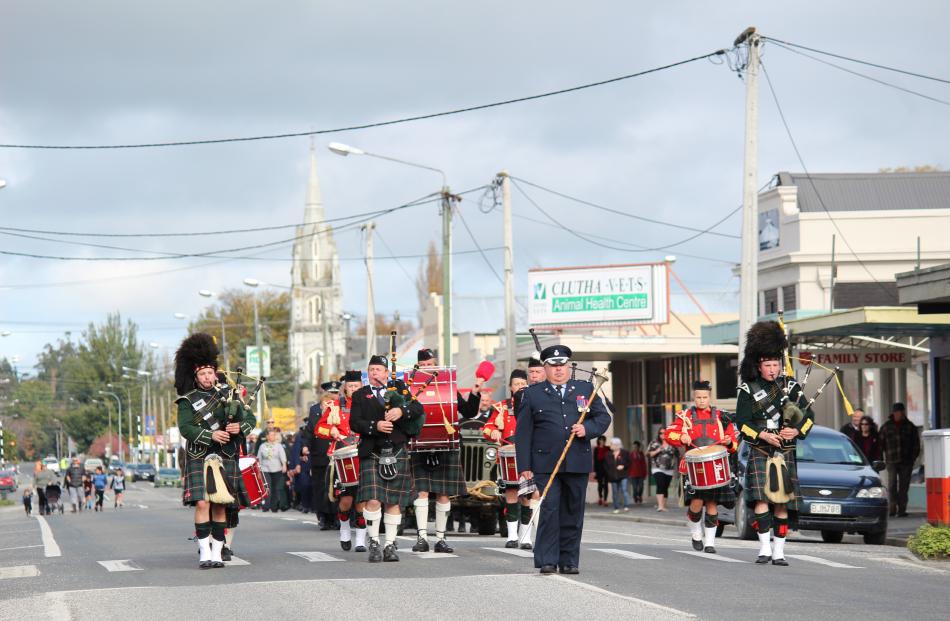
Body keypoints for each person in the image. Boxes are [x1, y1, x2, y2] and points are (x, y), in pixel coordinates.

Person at [515, 345, 611, 575]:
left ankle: (569, 560)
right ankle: (547, 559)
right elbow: (524, 433)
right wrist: (525, 466)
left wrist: (586, 428)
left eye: (562, 365)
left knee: (573, 512)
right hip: (545, 464)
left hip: (577, 461)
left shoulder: (586, 388)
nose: (558, 370)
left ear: (568, 366)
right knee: (549, 510)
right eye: (553, 366)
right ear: (545, 368)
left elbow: (603, 417)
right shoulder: (532, 393)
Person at [736, 321, 814, 566]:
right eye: (768, 365)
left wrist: (796, 430)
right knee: (761, 501)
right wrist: (762, 434)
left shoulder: (791, 387)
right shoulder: (748, 389)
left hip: (785, 451)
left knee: (781, 502)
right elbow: (742, 423)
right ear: (758, 366)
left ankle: (779, 551)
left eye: (776, 365)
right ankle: (764, 548)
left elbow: (809, 417)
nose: (772, 369)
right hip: (761, 448)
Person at [176, 332, 256, 569]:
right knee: (202, 503)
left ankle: (218, 552)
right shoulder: (187, 400)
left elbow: (251, 419)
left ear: (215, 372)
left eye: (210, 372)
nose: (207, 377)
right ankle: (204, 552)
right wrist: (211, 434)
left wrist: (237, 426)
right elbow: (185, 428)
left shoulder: (229, 396)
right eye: (202, 373)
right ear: (196, 376)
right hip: (199, 455)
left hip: (225, 455)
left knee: (220, 504)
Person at [350, 355, 424, 562]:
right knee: (373, 499)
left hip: (397, 450)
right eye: (371, 369)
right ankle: (374, 542)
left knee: (394, 501)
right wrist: (375, 426)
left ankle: (390, 544)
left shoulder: (398, 389)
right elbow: (354, 423)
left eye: (378, 369)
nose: (374, 373)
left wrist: (401, 410)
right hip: (372, 451)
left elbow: (418, 409)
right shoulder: (360, 395)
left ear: (385, 372)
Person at [411, 348, 479, 553]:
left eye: (430, 364)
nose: (427, 368)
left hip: (445, 443)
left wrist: (475, 392)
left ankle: (440, 539)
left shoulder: (447, 387)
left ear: (436, 365)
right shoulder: (410, 387)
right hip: (419, 444)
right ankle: (422, 537)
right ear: (418, 366)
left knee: (443, 493)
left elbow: (468, 411)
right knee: (421, 492)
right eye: (423, 365)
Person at [663, 380, 738, 553]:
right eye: (698, 397)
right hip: (693, 466)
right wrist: (681, 438)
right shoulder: (685, 416)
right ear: (694, 397)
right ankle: (696, 533)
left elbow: (733, 442)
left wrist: (729, 442)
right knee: (696, 503)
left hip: (715, 465)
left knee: (712, 504)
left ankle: (710, 543)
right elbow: (669, 434)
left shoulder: (721, 416)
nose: (702, 400)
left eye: (705, 397)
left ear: (709, 397)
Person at [482, 368, 539, 550]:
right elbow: (486, 429)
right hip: (509, 457)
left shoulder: (535, 404)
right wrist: (495, 432)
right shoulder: (501, 408)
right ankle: (512, 536)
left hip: (529, 456)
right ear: (510, 387)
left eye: (523, 383)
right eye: (517, 384)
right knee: (512, 495)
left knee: (527, 497)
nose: (520, 386)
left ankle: (526, 537)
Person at [315, 371, 368, 552]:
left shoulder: (369, 404)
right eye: (351, 386)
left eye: (357, 386)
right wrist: (331, 431)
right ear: (345, 387)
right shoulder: (335, 406)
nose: (353, 389)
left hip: (364, 454)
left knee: (362, 501)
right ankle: (345, 529)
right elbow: (319, 428)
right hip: (342, 456)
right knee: (346, 500)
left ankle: (361, 540)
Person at [306, 384, 338, 530]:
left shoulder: (338, 410)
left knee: (336, 487)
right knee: (320, 487)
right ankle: (323, 517)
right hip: (319, 455)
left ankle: (336, 516)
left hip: (335, 454)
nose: (332, 396)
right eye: (330, 394)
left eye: (335, 393)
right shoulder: (314, 410)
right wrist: (305, 447)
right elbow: (309, 431)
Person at [879, 402, 920, 517]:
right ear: (893, 413)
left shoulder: (910, 426)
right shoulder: (886, 426)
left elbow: (916, 444)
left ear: (903, 412)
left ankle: (902, 509)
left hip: (906, 461)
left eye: (901, 412)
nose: (899, 414)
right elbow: (880, 444)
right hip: (891, 461)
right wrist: (881, 459)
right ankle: (892, 508)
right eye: (897, 412)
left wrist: (913, 458)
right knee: (892, 484)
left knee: (904, 486)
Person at [258, 429, 288, 512]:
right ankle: (266, 506)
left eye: (274, 435)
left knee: (276, 488)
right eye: (271, 435)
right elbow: (259, 459)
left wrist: (284, 465)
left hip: (277, 469)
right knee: (267, 488)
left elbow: (282, 456)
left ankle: (274, 506)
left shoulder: (278, 445)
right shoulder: (262, 446)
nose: (273, 436)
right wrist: (258, 470)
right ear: (267, 436)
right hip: (265, 469)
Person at [647, 430, 678, 512]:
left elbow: (677, 454)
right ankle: (660, 506)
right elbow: (649, 454)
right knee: (660, 484)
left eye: (665, 433)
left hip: (669, 469)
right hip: (657, 468)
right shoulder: (655, 443)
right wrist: (657, 450)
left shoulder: (672, 443)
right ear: (659, 434)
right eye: (661, 433)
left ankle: (663, 505)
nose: (663, 434)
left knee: (665, 487)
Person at [604, 438, 631, 513]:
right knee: (615, 492)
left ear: (617, 445)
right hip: (613, 476)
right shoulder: (608, 454)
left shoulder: (625, 453)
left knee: (624, 490)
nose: (610, 445)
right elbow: (605, 466)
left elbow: (629, 462)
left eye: (611, 444)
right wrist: (609, 473)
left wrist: (623, 466)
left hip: (623, 475)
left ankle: (626, 506)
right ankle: (616, 507)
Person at [593, 437, 609, 506]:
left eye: (603, 440)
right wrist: (595, 470)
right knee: (600, 484)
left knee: (606, 484)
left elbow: (610, 459)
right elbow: (595, 460)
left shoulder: (608, 448)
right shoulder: (596, 449)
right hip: (599, 469)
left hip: (606, 469)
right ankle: (600, 498)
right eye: (601, 440)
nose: (602, 441)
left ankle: (605, 500)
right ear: (598, 441)